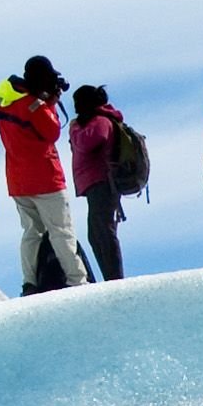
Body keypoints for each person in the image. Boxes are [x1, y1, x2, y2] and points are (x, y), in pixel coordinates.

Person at [0, 58, 89, 292]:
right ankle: (76, 279)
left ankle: (30, 282)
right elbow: (52, 131)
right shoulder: (35, 106)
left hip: (18, 180)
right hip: (45, 179)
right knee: (61, 231)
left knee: (31, 233)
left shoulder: (6, 98)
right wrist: (51, 104)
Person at [68, 85, 128, 282]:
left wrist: (75, 129)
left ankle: (114, 278)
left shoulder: (100, 121)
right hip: (96, 183)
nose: (75, 107)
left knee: (103, 231)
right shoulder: (95, 121)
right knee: (96, 234)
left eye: (78, 102)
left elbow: (86, 143)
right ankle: (111, 277)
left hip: (102, 183)